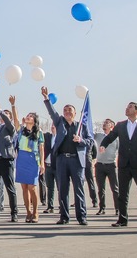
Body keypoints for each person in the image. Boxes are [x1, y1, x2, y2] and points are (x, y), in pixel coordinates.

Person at [42, 86, 93, 226]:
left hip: (76, 160)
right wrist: (46, 99)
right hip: (62, 160)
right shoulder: (60, 123)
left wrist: (81, 140)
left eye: (70, 110)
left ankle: (81, 217)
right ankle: (64, 217)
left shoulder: (81, 126)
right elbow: (52, 112)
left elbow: (90, 141)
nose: (67, 112)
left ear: (75, 113)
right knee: (63, 190)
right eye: (65, 110)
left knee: (79, 190)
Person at [100, 102, 137, 229]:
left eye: (130, 107)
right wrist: (103, 145)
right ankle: (122, 219)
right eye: (127, 107)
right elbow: (110, 137)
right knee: (122, 194)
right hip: (124, 165)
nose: (127, 108)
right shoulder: (120, 125)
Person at [11, 96, 45, 223]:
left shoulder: (39, 133)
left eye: (31, 116)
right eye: (28, 116)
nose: (28, 117)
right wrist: (13, 105)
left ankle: (36, 212)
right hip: (22, 158)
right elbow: (15, 120)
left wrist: (42, 164)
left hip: (33, 159)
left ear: (34, 121)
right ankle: (28, 212)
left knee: (32, 187)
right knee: (24, 187)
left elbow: (41, 149)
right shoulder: (21, 131)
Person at [94, 119, 120, 216]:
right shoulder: (98, 136)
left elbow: (120, 151)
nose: (104, 124)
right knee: (101, 189)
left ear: (112, 126)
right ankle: (102, 208)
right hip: (100, 165)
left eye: (107, 123)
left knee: (115, 188)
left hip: (111, 165)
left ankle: (118, 208)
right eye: (104, 123)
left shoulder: (116, 138)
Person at [42, 125, 57, 214]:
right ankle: (50, 206)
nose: (52, 127)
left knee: (60, 187)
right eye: (52, 126)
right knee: (50, 187)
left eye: (54, 126)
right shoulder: (47, 137)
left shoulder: (60, 138)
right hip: (48, 166)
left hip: (57, 166)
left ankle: (62, 206)